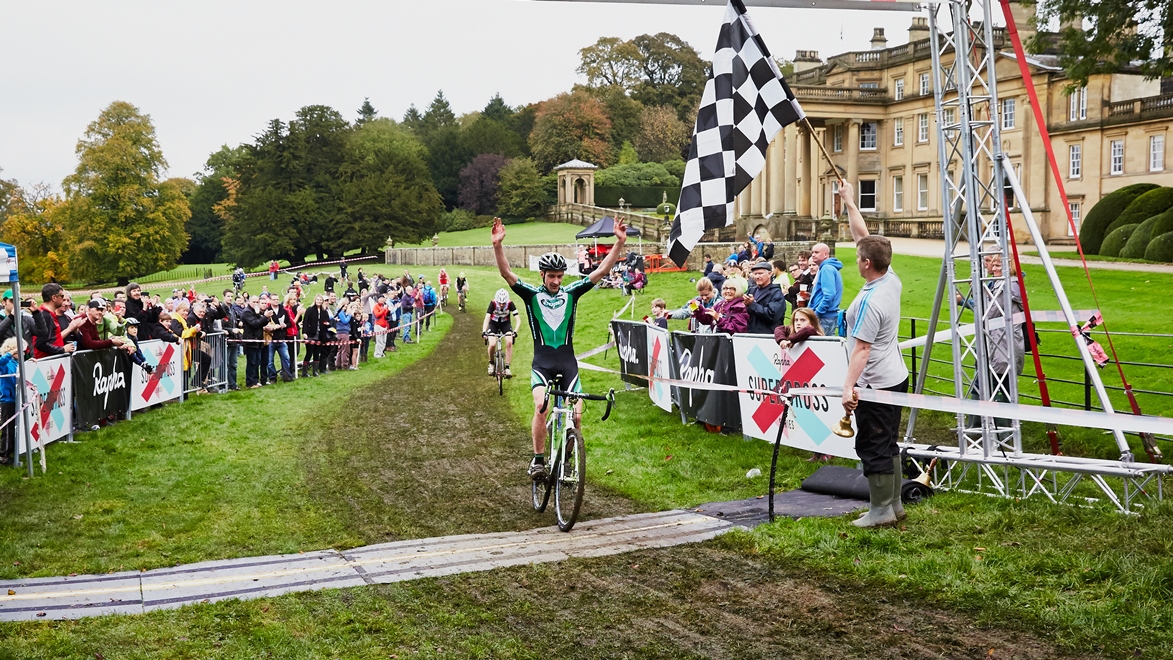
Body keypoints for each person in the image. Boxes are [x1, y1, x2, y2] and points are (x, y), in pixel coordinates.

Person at [491, 215, 629, 482]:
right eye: (551, 276)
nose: (555, 281)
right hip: (542, 362)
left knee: (577, 417)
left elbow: (600, 272)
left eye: (559, 276)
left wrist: (619, 243)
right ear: (542, 275)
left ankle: (566, 459)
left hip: (568, 363)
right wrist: (498, 245)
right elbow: (507, 273)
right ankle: (538, 460)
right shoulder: (531, 295)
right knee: (541, 406)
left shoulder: (572, 292)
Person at [838, 181, 910, 529]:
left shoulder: (870, 301)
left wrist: (847, 388)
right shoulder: (889, 276)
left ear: (867, 264)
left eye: (857, 257)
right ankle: (894, 505)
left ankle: (880, 511)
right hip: (896, 376)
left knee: (873, 444)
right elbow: (862, 237)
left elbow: (861, 350)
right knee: (889, 441)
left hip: (875, 381)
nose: (855, 258)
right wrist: (850, 203)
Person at [775, 307, 830, 462]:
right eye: (796, 320)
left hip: (819, 381)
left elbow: (808, 331)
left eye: (802, 320)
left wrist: (790, 340)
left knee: (821, 415)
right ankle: (816, 451)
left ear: (811, 321)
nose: (798, 323)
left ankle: (827, 450)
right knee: (809, 413)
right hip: (804, 382)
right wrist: (782, 340)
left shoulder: (814, 334)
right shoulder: (791, 331)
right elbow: (779, 328)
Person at [31, 283, 85, 358]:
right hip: (47, 362)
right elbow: (41, 344)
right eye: (62, 296)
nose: (63, 299)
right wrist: (62, 349)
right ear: (54, 298)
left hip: (53, 360)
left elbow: (53, 339)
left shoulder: (49, 314)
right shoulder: (45, 315)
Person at [809, 243, 844, 336]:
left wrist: (817, 313)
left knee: (820, 347)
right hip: (827, 316)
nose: (813, 255)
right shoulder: (827, 268)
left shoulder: (826, 269)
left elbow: (829, 295)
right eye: (812, 252)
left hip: (824, 317)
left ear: (826, 255)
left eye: (816, 252)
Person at [483, 288, 519, 377]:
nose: (502, 305)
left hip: (505, 324)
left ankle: (507, 367)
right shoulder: (493, 303)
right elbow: (487, 318)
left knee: (509, 341)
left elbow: (518, 320)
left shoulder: (510, 304)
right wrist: (484, 331)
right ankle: (491, 363)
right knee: (492, 344)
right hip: (493, 324)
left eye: (504, 303)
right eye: (500, 303)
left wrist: (515, 331)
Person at [743, 262, 786, 335]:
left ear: (769, 274)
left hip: (769, 335)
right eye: (755, 274)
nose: (757, 277)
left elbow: (773, 315)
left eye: (760, 273)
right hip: (751, 334)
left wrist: (752, 305)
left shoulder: (776, 293)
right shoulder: (752, 290)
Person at [0, 338, 18, 465]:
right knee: (7, 429)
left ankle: (13, 450)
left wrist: (29, 362)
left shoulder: (16, 363)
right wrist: (10, 353)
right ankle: (3, 455)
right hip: (7, 400)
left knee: (14, 428)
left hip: (16, 399)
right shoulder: (5, 363)